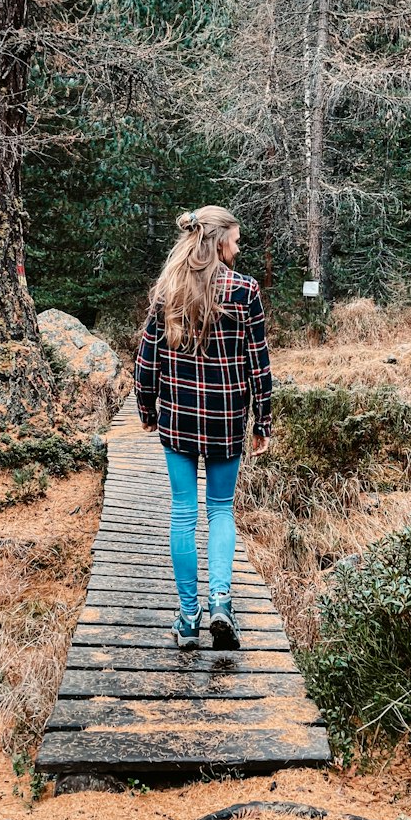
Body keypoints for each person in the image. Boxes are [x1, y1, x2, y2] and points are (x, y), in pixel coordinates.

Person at [134, 205, 273, 651]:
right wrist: (263, 420)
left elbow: (147, 357)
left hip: (177, 420)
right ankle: (221, 603)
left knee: (181, 513)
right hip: (227, 420)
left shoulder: (167, 291)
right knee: (220, 511)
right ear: (217, 241)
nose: (238, 245)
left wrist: (146, 406)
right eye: (234, 237)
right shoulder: (244, 290)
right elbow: (259, 364)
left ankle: (189, 617)